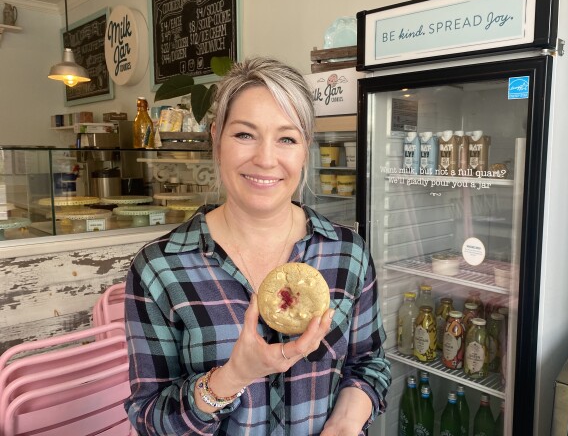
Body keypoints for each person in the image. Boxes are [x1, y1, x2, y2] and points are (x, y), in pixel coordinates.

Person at [124, 57, 391, 435]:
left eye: (287, 138)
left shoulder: (347, 252)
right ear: (216, 138)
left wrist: (345, 425)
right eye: (245, 135)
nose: (266, 159)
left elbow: (369, 364)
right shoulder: (160, 268)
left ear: (305, 149)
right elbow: (148, 417)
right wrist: (231, 378)